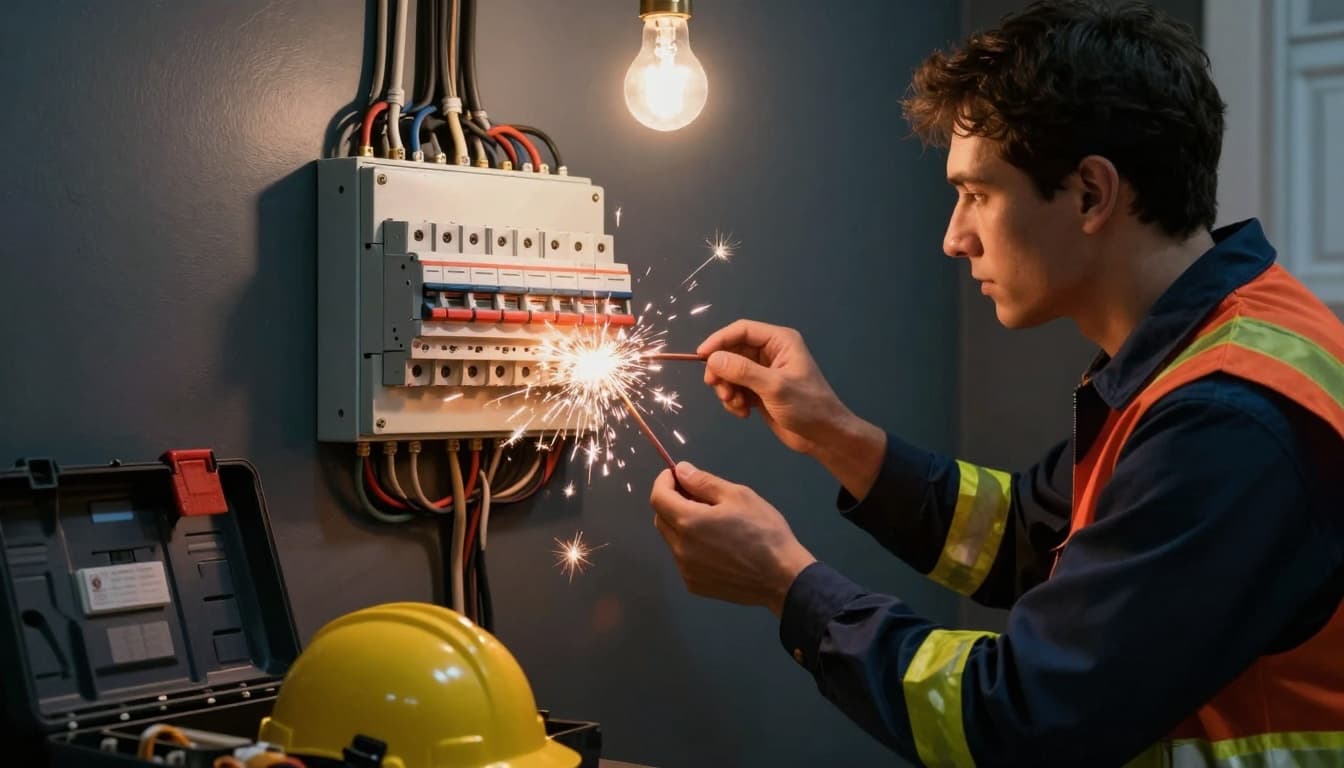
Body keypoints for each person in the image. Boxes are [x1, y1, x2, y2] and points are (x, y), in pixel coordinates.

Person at [647, 2, 1344, 766]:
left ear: (1090, 193)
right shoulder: (1207, 349)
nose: (954, 237)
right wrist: (833, 433)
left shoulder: (1227, 421)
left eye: (977, 194)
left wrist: (787, 585)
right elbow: (1024, 540)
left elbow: (1026, 717)